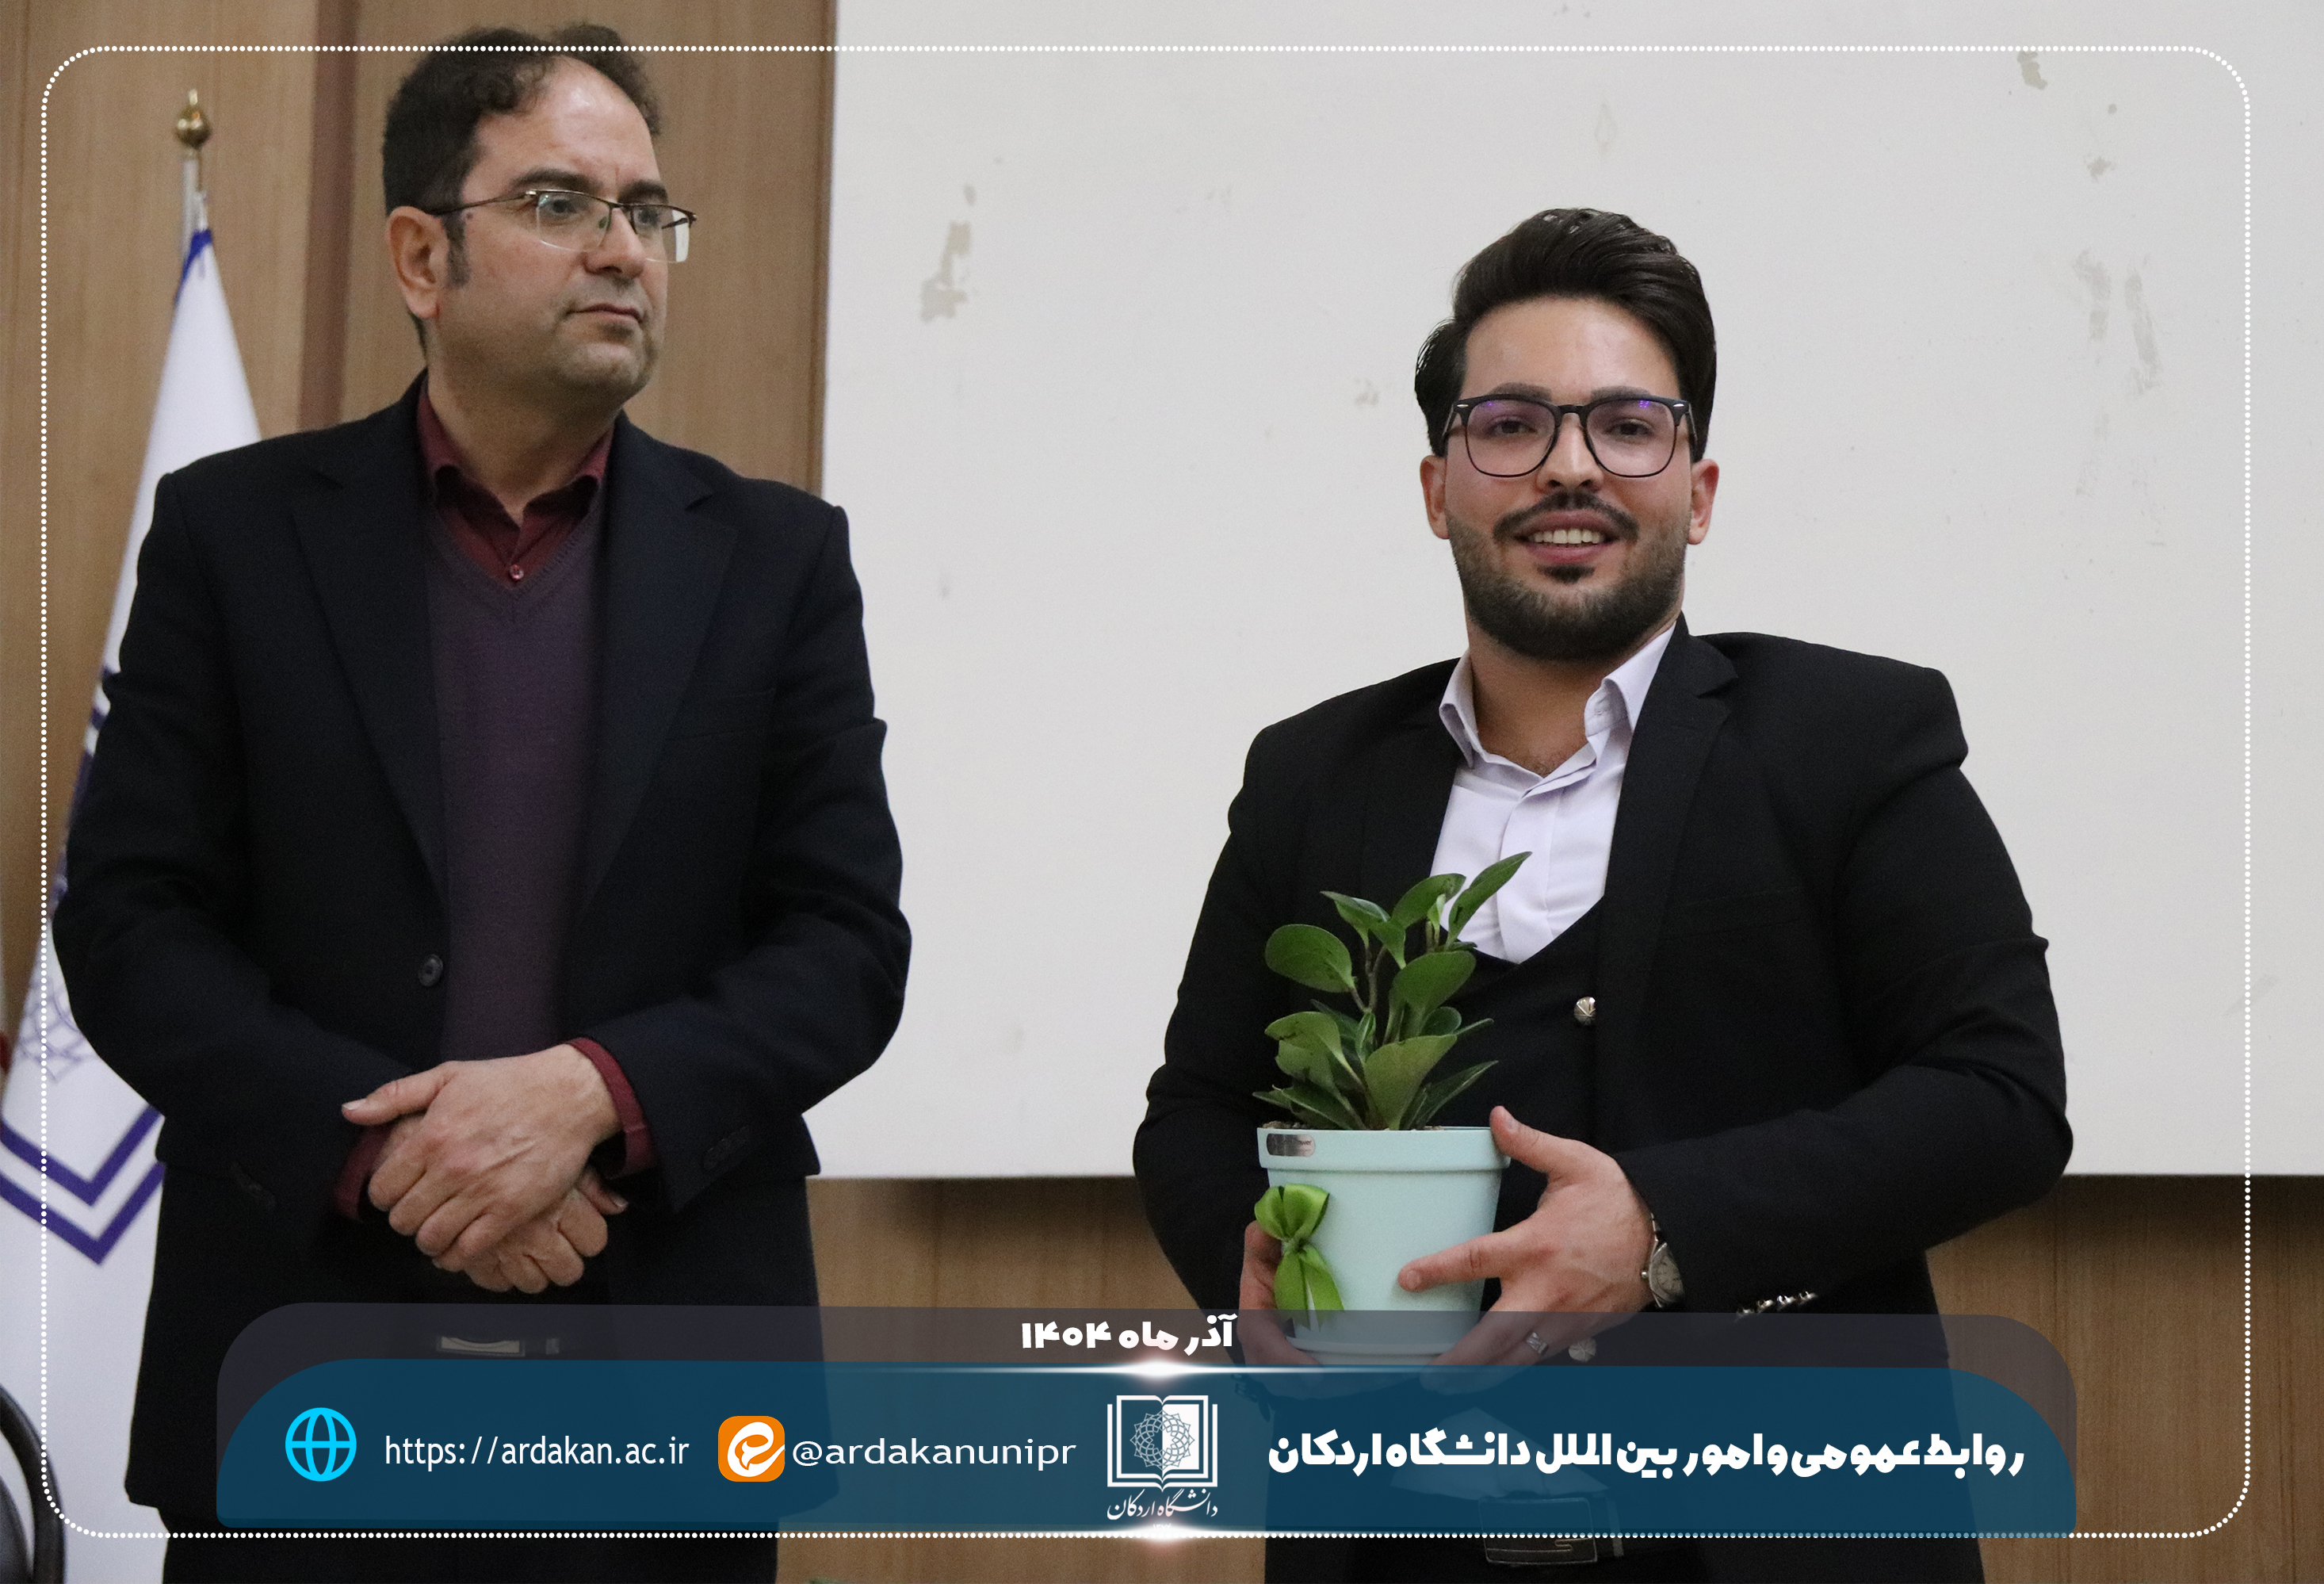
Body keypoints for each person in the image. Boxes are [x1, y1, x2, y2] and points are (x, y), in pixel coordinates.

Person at [53, 25, 908, 1582]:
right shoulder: (235, 536)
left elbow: (843, 947)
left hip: (665, 1373)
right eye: (563, 203)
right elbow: (129, 924)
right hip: (307, 1357)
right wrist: (397, 1155)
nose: (624, 251)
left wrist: (590, 1095)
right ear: (419, 255)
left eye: (648, 211)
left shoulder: (776, 561)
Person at [1134, 209, 2069, 1582]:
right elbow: (1198, 1107)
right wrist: (1252, 1266)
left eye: (1628, 425)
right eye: (1510, 424)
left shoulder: (1853, 738)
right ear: (1438, 486)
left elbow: (1999, 1095)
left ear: (1698, 488)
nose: (1568, 465)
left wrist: (1661, 1229)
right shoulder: (1310, 775)